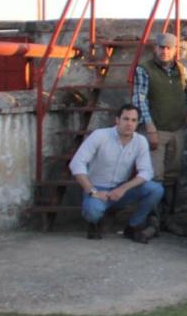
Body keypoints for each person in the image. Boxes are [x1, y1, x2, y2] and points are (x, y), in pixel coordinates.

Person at [69, 104, 164, 242]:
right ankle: (96, 222)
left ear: (137, 123)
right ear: (117, 120)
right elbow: (77, 163)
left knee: (156, 189)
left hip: (121, 190)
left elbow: (146, 172)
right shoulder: (100, 135)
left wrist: (123, 188)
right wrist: (92, 191)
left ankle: (133, 226)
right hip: (97, 188)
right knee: (92, 212)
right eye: (125, 119)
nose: (129, 124)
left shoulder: (140, 141)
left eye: (133, 120)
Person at [131, 31, 187, 233]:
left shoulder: (181, 70)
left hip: (177, 130)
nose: (165, 51)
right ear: (155, 48)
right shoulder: (144, 69)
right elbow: (139, 99)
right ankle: (153, 221)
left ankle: (168, 220)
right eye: (161, 47)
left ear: (175, 50)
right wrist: (150, 128)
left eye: (169, 47)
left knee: (172, 176)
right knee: (155, 176)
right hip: (156, 130)